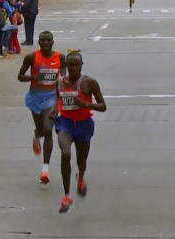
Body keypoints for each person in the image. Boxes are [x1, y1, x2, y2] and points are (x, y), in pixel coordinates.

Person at [49, 52, 107, 213]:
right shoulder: (60, 82)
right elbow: (57, 98)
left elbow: (103, 106)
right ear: (66, 65)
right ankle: (66, 196)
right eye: (70, 65)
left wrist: (86, 104)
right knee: (65, 153)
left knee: (82, 161)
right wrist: (54, 110)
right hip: (65, 123)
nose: (74, 68)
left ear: (82, 65)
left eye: (77, 65)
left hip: (83, 125)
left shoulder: (90, 83)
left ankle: (80, 178)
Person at [17, 31, 66, 184]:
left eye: (48, 40)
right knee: (40, 129)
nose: (46, 43)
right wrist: (33, 77)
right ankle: (36, 136)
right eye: (43, 40)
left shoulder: (60, 58)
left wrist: (59, 101)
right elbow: (20, 76)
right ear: (39, 43)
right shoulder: (32, 57)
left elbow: (63, 82)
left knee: (47, 129)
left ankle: (45, 169)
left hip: (51, 98)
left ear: (53, 42)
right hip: (34, 97)